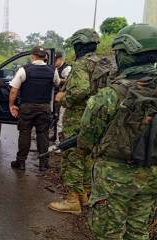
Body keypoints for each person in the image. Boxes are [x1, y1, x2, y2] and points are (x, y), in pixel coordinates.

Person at [78, 23, 157, 240]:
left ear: (128, 53)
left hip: (114, 178)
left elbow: (86, 139)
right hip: (151, 177)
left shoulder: (110, 94)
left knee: (108, 234)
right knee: (139, 232)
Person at [48, 28, 101, 215]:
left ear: (79, 45)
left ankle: (72, 201)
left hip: (77, 119)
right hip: (94, 119)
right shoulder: (102, 63)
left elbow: (80, 90)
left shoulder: (81, 64)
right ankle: (84, 196)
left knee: (72, 159)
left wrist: (63, 97)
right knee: (87, 158)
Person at [9, 47, 60, 171]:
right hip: (44, 107)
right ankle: (43, 163)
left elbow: (14, 90)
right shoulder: (53, 70)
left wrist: (11, 105)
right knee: (43, 134)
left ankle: (21, 163)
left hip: (27, 107)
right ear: (45, 57)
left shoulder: (24, 70)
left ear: (33, 56)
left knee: (24, 133)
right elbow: (57, 83)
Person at [50, 51, 72, 143]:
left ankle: (59, 142)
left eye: (55, 60)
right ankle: (55, 136)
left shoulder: (67, 68)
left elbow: (69, 81)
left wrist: (58, 80)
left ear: (59, 59)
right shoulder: (54, 68)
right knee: (55, 117)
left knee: (60, 119)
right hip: (54, 97)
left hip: (62, 97)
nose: (54, 62)